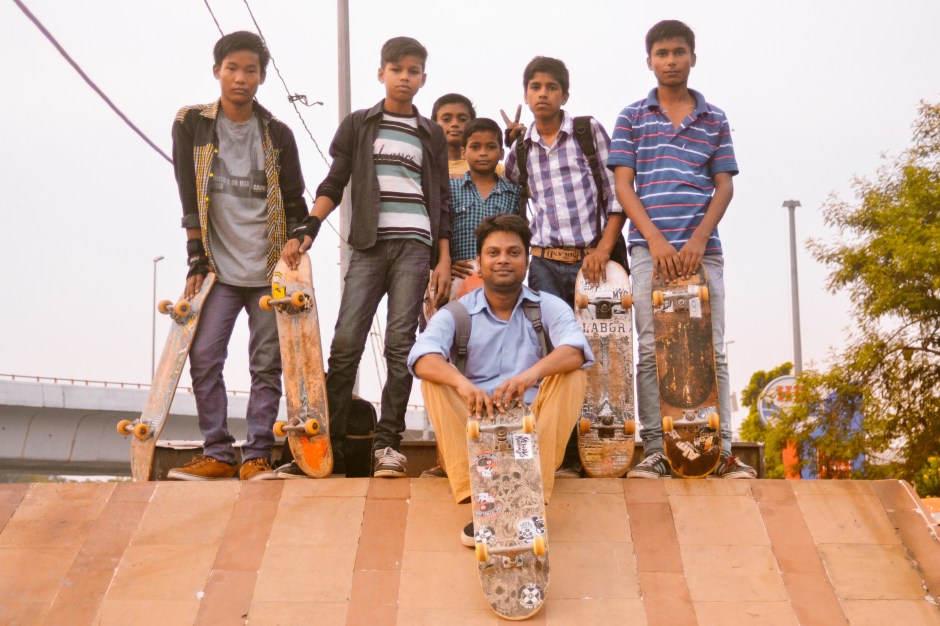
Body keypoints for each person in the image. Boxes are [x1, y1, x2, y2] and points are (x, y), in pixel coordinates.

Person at [281, 36, 451, 478]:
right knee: (345, 346)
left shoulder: (430, 132)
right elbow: (335, 181)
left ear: (423, 79)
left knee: (400, 348)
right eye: (397, 69)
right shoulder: (359, 123)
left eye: (413, 71)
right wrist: (309, 228)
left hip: (415, 246)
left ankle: (387, 445)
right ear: (382, 74)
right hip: (369, 247)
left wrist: (444, 258)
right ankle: (327, 445)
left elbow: (442, 198)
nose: (405, 77)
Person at [607, 20, 756, 479]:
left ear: (693, 57)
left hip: (701, 251)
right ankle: (657, 449)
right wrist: (654, 240)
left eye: (678, 52)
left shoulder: (715, 118)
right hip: (649, 250)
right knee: (653, 350)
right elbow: (623, 185)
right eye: (662, 53)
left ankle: (722, 450)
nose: (670, 61)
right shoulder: (632, 116)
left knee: (712, 350)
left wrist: (696, 241)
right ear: (649, 60)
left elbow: (724, 186)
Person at [167, 31, 308, 481]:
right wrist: (195, 257)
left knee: (266, 364)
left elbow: (295, 202)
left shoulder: (278, 134)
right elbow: (187, 193)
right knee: (205, 355)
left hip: (269, 270)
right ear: (217, 72)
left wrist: (298, 243)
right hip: (218, 271)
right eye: (232, 69)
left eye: (250, 70)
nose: (240, 78)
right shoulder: (192, 124)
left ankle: (258, 455)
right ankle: (218, 451)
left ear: (262, 77)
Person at [408, 214, 592, 546]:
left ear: (527, 260)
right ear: (479, 262)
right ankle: (481, 501)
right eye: (493, 253)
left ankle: (529, 494)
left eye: (513, 252)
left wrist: (530, 375)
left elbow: (576, 350)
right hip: (476, 423)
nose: (503, 260)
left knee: (573, 375)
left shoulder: (547, 306)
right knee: (434, 380)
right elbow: (422, 358)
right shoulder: (458, 312)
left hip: (532, 428)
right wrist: (463, 384)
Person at [502, 56, 626, 475]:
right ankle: (561, 450)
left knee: (603, 351)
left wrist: (603, 249)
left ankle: (603, 444)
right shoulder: (521, 148)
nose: (542, 94)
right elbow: (512, 195)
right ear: (525, 94)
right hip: (543, 265)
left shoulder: (588, 134)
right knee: (550, 354)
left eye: (551, 87)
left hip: (592, 263)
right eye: (534, 86)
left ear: (565, 94)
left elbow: (615, 197)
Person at [420, 118, 521, 479]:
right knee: (450, 365)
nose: (482, 153)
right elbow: (441, 229)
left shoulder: (512, 191)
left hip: (498, 291)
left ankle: (498, 452)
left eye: (490, 147)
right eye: (474, 147)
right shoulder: (450, 187)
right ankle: (446, 457)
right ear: (462, 152)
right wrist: (445, 264)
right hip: (457, 290)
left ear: (500, 152)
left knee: (493, 363)